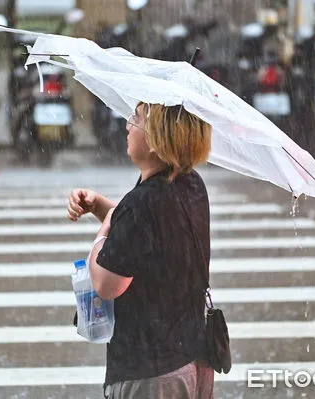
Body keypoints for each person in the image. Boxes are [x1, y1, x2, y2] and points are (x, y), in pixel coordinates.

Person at [67, 102, 214, 399]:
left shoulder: (143, 202)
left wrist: (103, 231)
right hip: (191, 357)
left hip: (152, 371)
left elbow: (107, 283)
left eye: (136, 118)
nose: (127, 125)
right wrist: (101, 207)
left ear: (157, 137)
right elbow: (148, 238)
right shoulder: (190, 185)